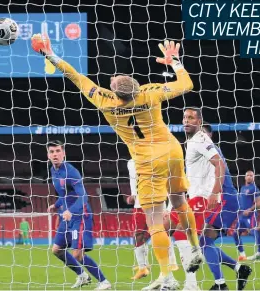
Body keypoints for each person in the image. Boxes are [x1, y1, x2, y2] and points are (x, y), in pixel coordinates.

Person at [32, 34, 201, 290]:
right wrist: (174, 61)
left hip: (147, 162)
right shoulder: (149, 92)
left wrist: (50, 54)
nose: (111, 80)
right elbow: (187, 84)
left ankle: (167, 276)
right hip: (172, 151)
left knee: (154, 221)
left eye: (113, 81)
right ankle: (196, 248)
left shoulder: (105, 101)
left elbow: (76, 76)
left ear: (116, 91)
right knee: (178, 201)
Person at [183, 109, 252, 291]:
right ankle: (239, 268)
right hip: (220, 200)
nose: (202, 137)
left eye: (205, 134)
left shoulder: (208, 148)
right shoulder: (198, 149)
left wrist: (214, 193)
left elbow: (218, 169)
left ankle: (220, 284)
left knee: (204, 241)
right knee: (205, 241)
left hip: (224, 200)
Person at [46, 141, 111, 290]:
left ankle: (104, 282)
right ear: (48, 155)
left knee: (77, 254)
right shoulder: (53, 170)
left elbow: (83, 197)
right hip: (67, 216)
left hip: (80, 215)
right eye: (52, 152)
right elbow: (65, 194)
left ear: (63, 153)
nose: (55, 154)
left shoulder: (71, 171)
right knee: (57, 250)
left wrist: (71, 211)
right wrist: (55, 205)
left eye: (57, 151)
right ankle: (82, 276)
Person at [127, 159, 178, 280]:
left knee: (160, 234)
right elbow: (133, 181)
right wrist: (133, 195)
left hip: (157, 204)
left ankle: (172, 263)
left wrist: (168, 208)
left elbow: (167, 183)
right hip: (139, 205)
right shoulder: (131, 163)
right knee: (138, 236)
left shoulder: (156, 159)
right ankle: (142, 268)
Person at [234, 170, 260, 261]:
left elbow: (259, 203)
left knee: (253, 232)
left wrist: (250, 209)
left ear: (253, 177)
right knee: (235, 233)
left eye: (251, 176)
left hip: (250, 216)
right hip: (242, 216)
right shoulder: (243, 188)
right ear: (245, 177)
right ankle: (242, 255)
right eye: (247, 175)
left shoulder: (254, 188)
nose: (249, 177)